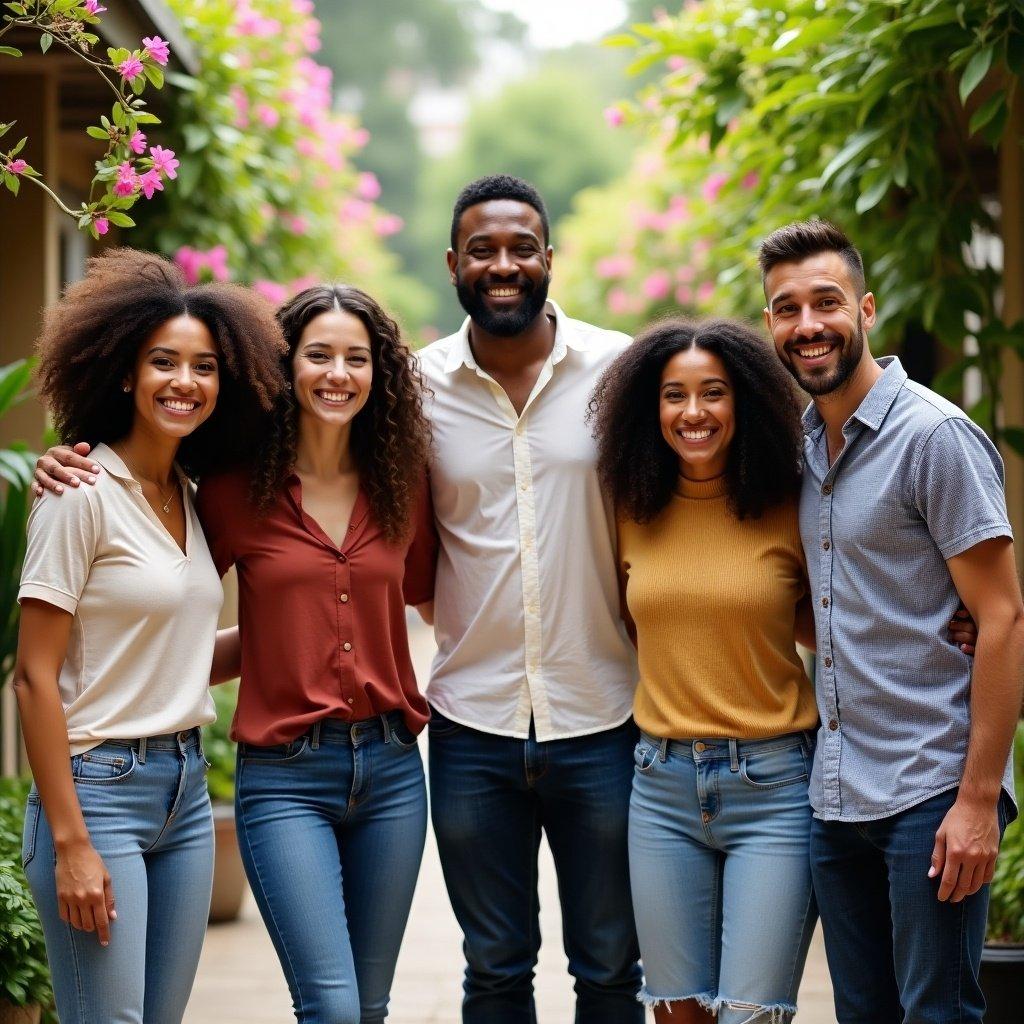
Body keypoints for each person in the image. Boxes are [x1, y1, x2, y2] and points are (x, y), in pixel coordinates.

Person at [34, 283, 438, 1024]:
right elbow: (129, 616)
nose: (338, 373)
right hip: (280, 773)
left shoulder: (401, 484)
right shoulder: (226, 492)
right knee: (334, 1009)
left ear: (381, 371)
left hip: (389, 770)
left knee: (370, 1008)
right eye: (318, 355)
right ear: (281, 369)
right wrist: (59, 466)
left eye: (357, 357)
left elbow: (436, 600)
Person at [759, 219, 1024, 1024]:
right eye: (785, 308)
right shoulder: (802, 447)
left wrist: (979, 798)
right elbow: (833, 604)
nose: (807, 325)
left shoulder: (932, 438)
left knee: (937, 1012)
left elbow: (1004, 616)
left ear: (866, 309)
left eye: (826, 302)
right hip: (835, 795)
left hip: (930, 790)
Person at [14, 247, 286, 1024]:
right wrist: (70, 843)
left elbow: (182, 661)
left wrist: (302, 631)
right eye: (163, 362)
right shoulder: (79, 491)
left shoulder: (190, 497)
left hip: (187, 794)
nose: (185, 382)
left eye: (204, 367)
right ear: (125, 373)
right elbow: (34, 677)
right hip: (97, 791)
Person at [415, 174, 643, 1023]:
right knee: (497, 968)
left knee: (614, 966)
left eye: (521, 248)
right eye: (483, 250)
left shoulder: (620, 369)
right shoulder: (415, 385)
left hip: (607, 716)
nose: (503, 265)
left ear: (550, 258)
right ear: (453, 265)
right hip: (473, 725)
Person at [589, 317, 819, 1024]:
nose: (693, 413)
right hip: (659, 788)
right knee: (678, 1013)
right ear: (648, 408)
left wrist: (953, 623)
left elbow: (837, 617)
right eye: (674, 396)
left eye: (713, 393)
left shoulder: (791, 500)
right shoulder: (631, 504)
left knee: (750, 1013)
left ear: (743, 401)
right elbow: (629, 620)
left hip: (774, 786)